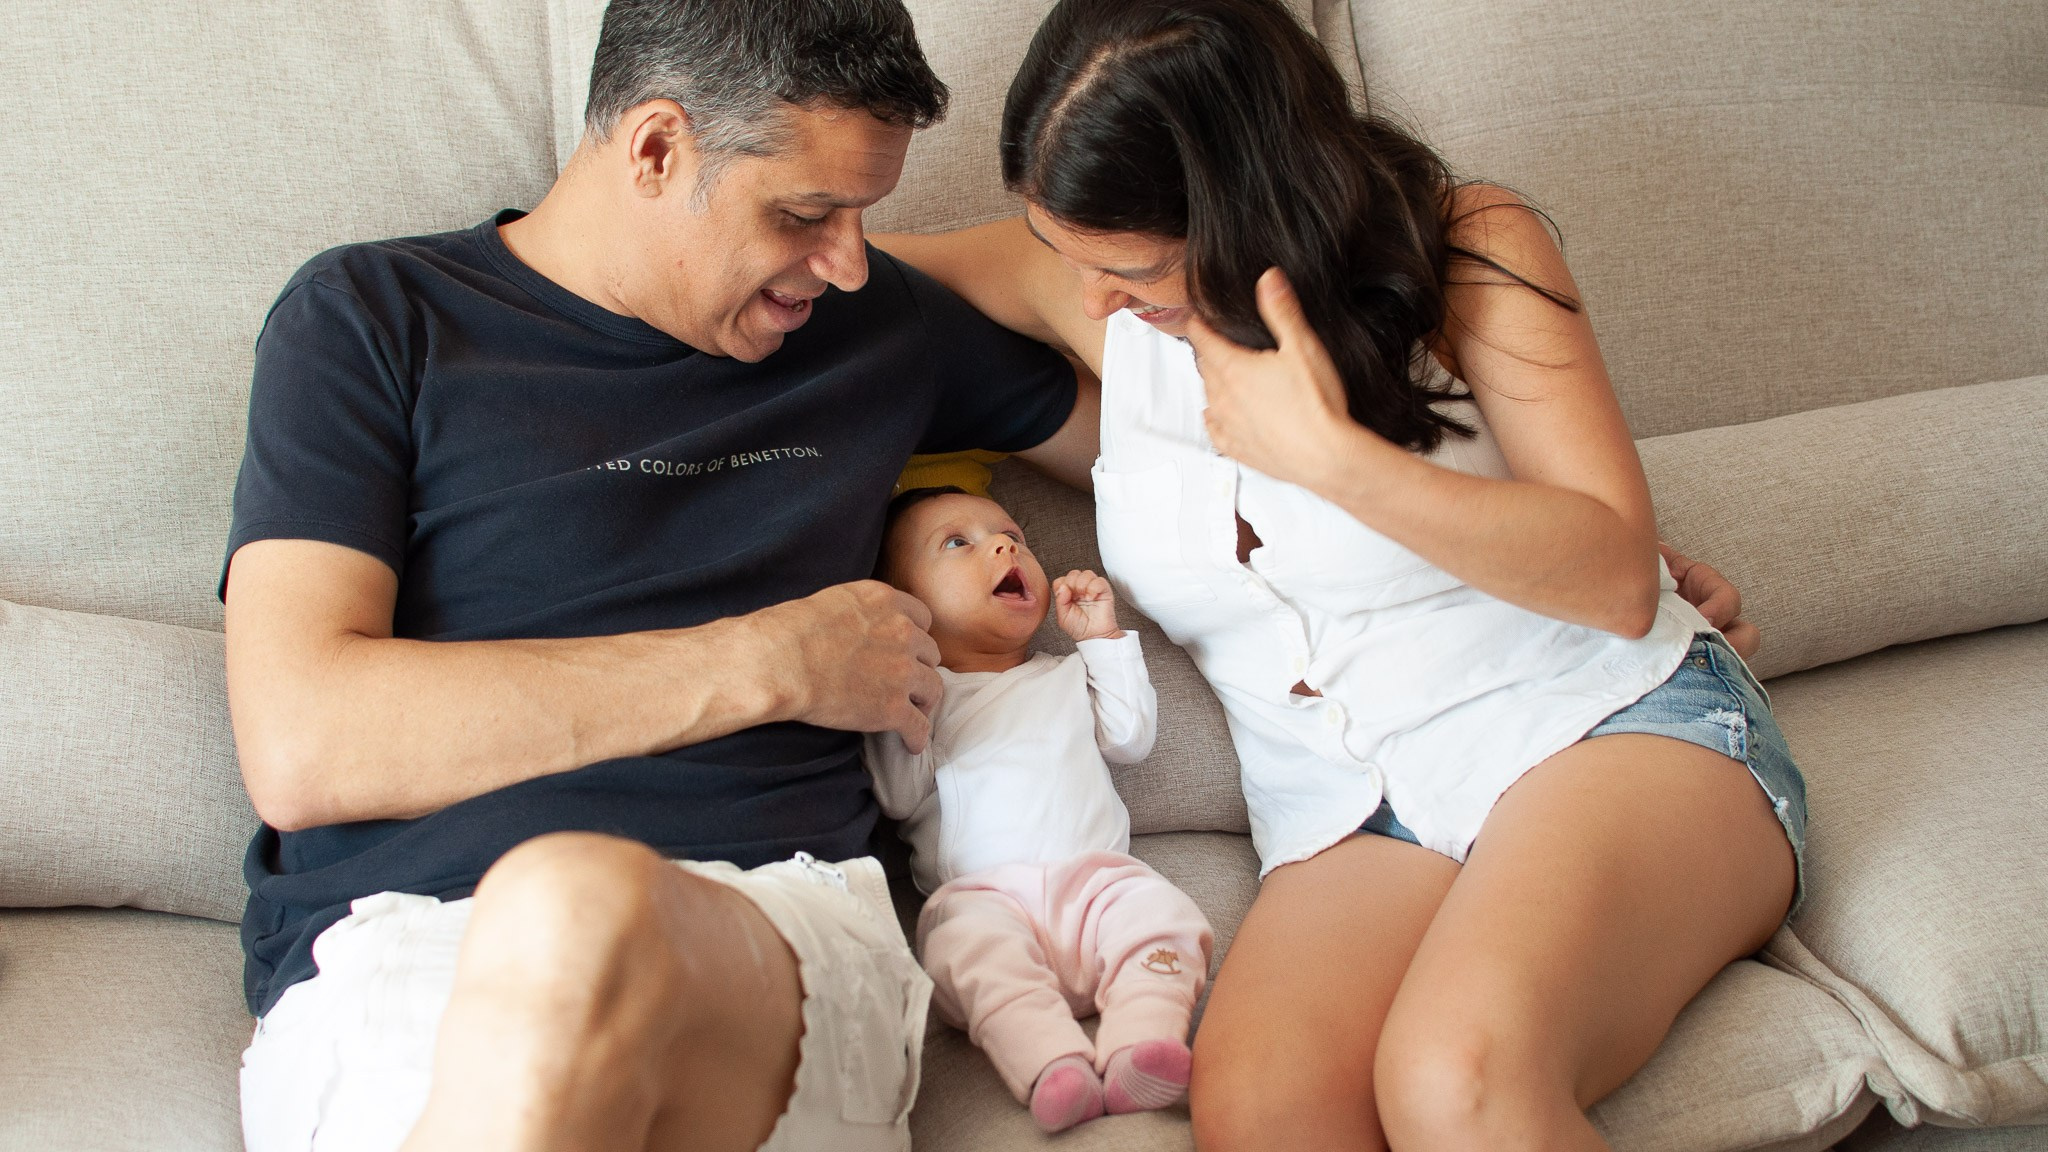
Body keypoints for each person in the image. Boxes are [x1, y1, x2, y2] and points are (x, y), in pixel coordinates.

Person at [875, 0, 1804, 1148]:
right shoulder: (1082, 272)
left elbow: (1614, 578)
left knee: (1451, 1079)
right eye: (1065, 255)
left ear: (1250, 206)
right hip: (1344, 809)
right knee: (1265, 1119)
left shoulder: (1468, 246)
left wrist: (1334, 461)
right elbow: (830, 265)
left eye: (1132, 267)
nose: (1094, 298)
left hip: (1595, 722)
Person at [218, 2, 1102, 1150]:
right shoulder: (369, 321)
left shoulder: (873, 324)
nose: (847, 263)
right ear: (653, 149)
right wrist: (766, 663)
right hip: (390, 963)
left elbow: (1174, 445)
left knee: (578, 915)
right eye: (804, 215)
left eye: (865, 216)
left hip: (768, 944)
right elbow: (303, 744)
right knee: (558, 923)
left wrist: (1049, 272)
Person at [866, 487, 1213, 1132]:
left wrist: (1103, 639)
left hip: (1100, 886)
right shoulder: (929, 699)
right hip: (984, 902)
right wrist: (900, 688)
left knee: (1166, 915)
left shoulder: (1065, 674)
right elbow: (897, 795)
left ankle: (1142, 1038)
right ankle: (1051, 1062)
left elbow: (1131, 739)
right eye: (957, 543)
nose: (1004, 545)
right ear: (905, 606)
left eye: (1013, 536)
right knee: (964, 952)